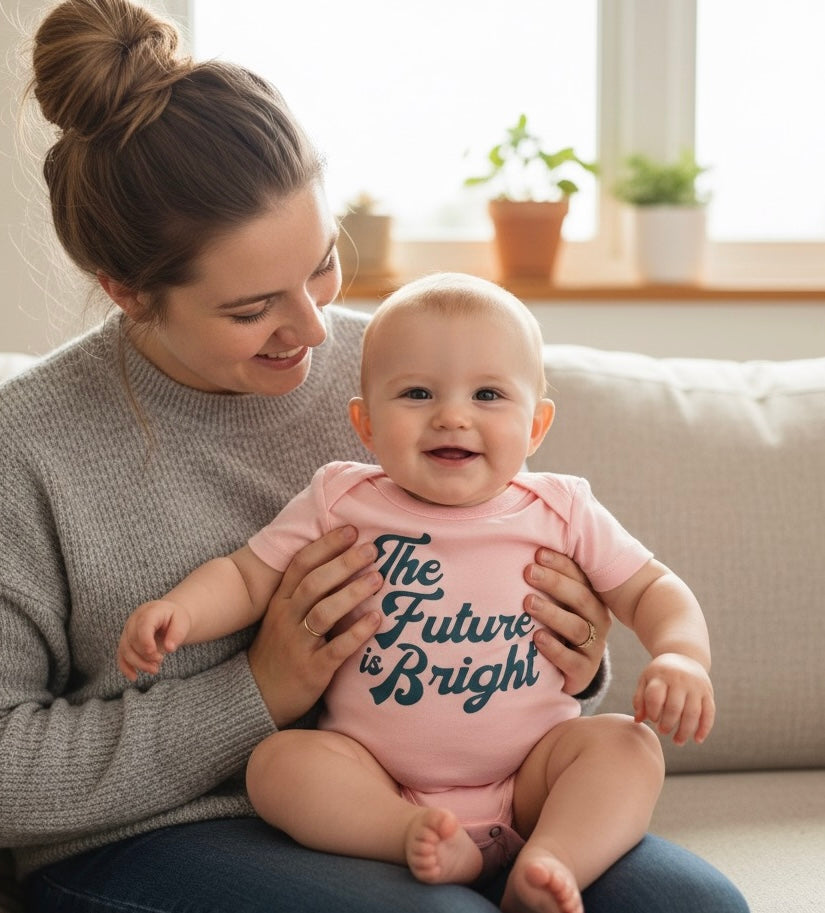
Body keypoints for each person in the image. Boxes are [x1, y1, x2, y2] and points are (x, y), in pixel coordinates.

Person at [0, 1, 748, 912]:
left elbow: (522, 589)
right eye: (251, 308)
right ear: (127, 291)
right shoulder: (26, 446)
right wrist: (255, 691)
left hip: (465, 798)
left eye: (321, 264)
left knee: (691, 906)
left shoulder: (406, 369)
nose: (314, 329)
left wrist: (578, 659)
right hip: (162, 834)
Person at [117, 273, 715, 913]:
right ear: (366, 424)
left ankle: (551, 860)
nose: (452, 415)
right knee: (279, 764)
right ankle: (411, 837)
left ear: (536, 426)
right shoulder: (340, 498)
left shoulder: (563, 508)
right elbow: (245, 575)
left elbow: (650, 586)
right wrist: (181, 610)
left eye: (487, 394)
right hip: (377, 778)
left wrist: (680, 656)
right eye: (417, 393)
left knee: (627, 746)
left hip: (533, 777)